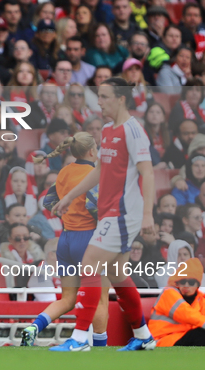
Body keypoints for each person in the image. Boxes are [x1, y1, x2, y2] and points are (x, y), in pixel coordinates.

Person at [51, 77, 156, 351]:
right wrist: (71, 197)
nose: (99, 102)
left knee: (89, 264)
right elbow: (99, 171)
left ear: (120, 99)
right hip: (110, 212)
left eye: (105, 96)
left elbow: (148, 173)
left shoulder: (133, 132)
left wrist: (148, 216)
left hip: (123, 214)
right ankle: (144, 336)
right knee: (118, 274)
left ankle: (79, 339)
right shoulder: (108, 130)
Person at [22, 131, 110, 347]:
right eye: (96, 148)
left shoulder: (63, 172)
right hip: (89, 239)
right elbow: (94, 205)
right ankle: (100, 348)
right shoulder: (93, 174)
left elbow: (48, 201)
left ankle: (34, 326)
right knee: (99, 299)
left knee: (68, 299)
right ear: (91, 150)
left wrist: (68, 214)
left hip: (66, 239)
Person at [148, 258, 205, 347]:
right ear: (177, 283)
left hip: (182, 337)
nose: (186, 285)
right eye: (182, 281)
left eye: (191, 282)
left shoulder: (201, 299)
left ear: (198, 285)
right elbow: (187, 314)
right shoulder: (168, 293)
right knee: (200, 335)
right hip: (162, 340)